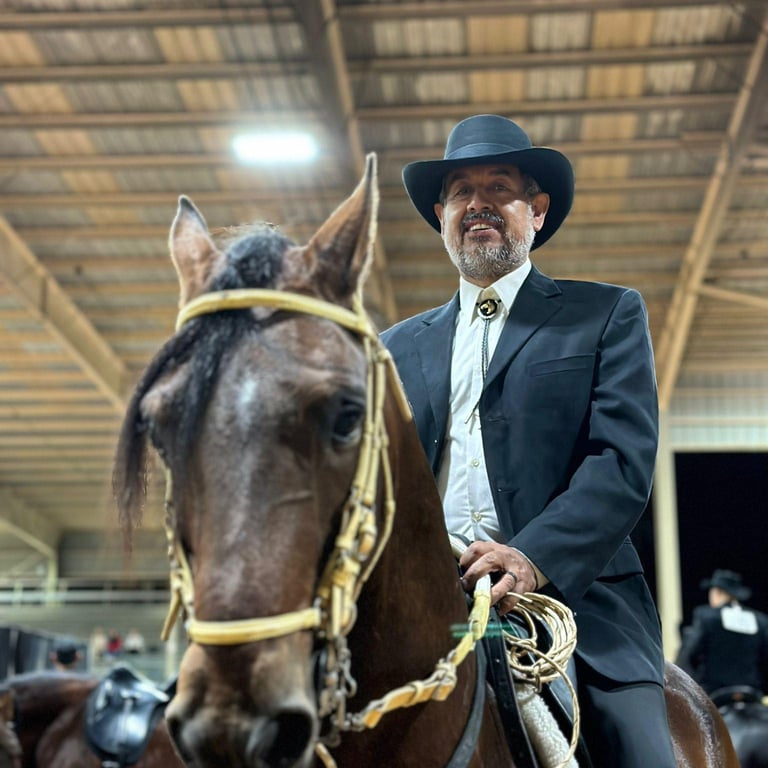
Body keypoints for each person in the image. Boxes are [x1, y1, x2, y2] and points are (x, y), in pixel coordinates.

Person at [381, 114, 675, 767]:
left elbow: (620, 463)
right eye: (461, 191)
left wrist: (530, 556)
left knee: (641, 751)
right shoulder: (394, 347)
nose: (478, 203)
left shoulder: (605, 313)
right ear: (441, 215)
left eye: (499, 187)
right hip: (428, 599)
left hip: (573, 598)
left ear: (536, 211)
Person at [677, 569, 768, 695]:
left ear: (717, 592)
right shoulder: (760, 620)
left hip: (713, 693)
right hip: (751, 693)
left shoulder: (706, 616)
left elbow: (689, 654)